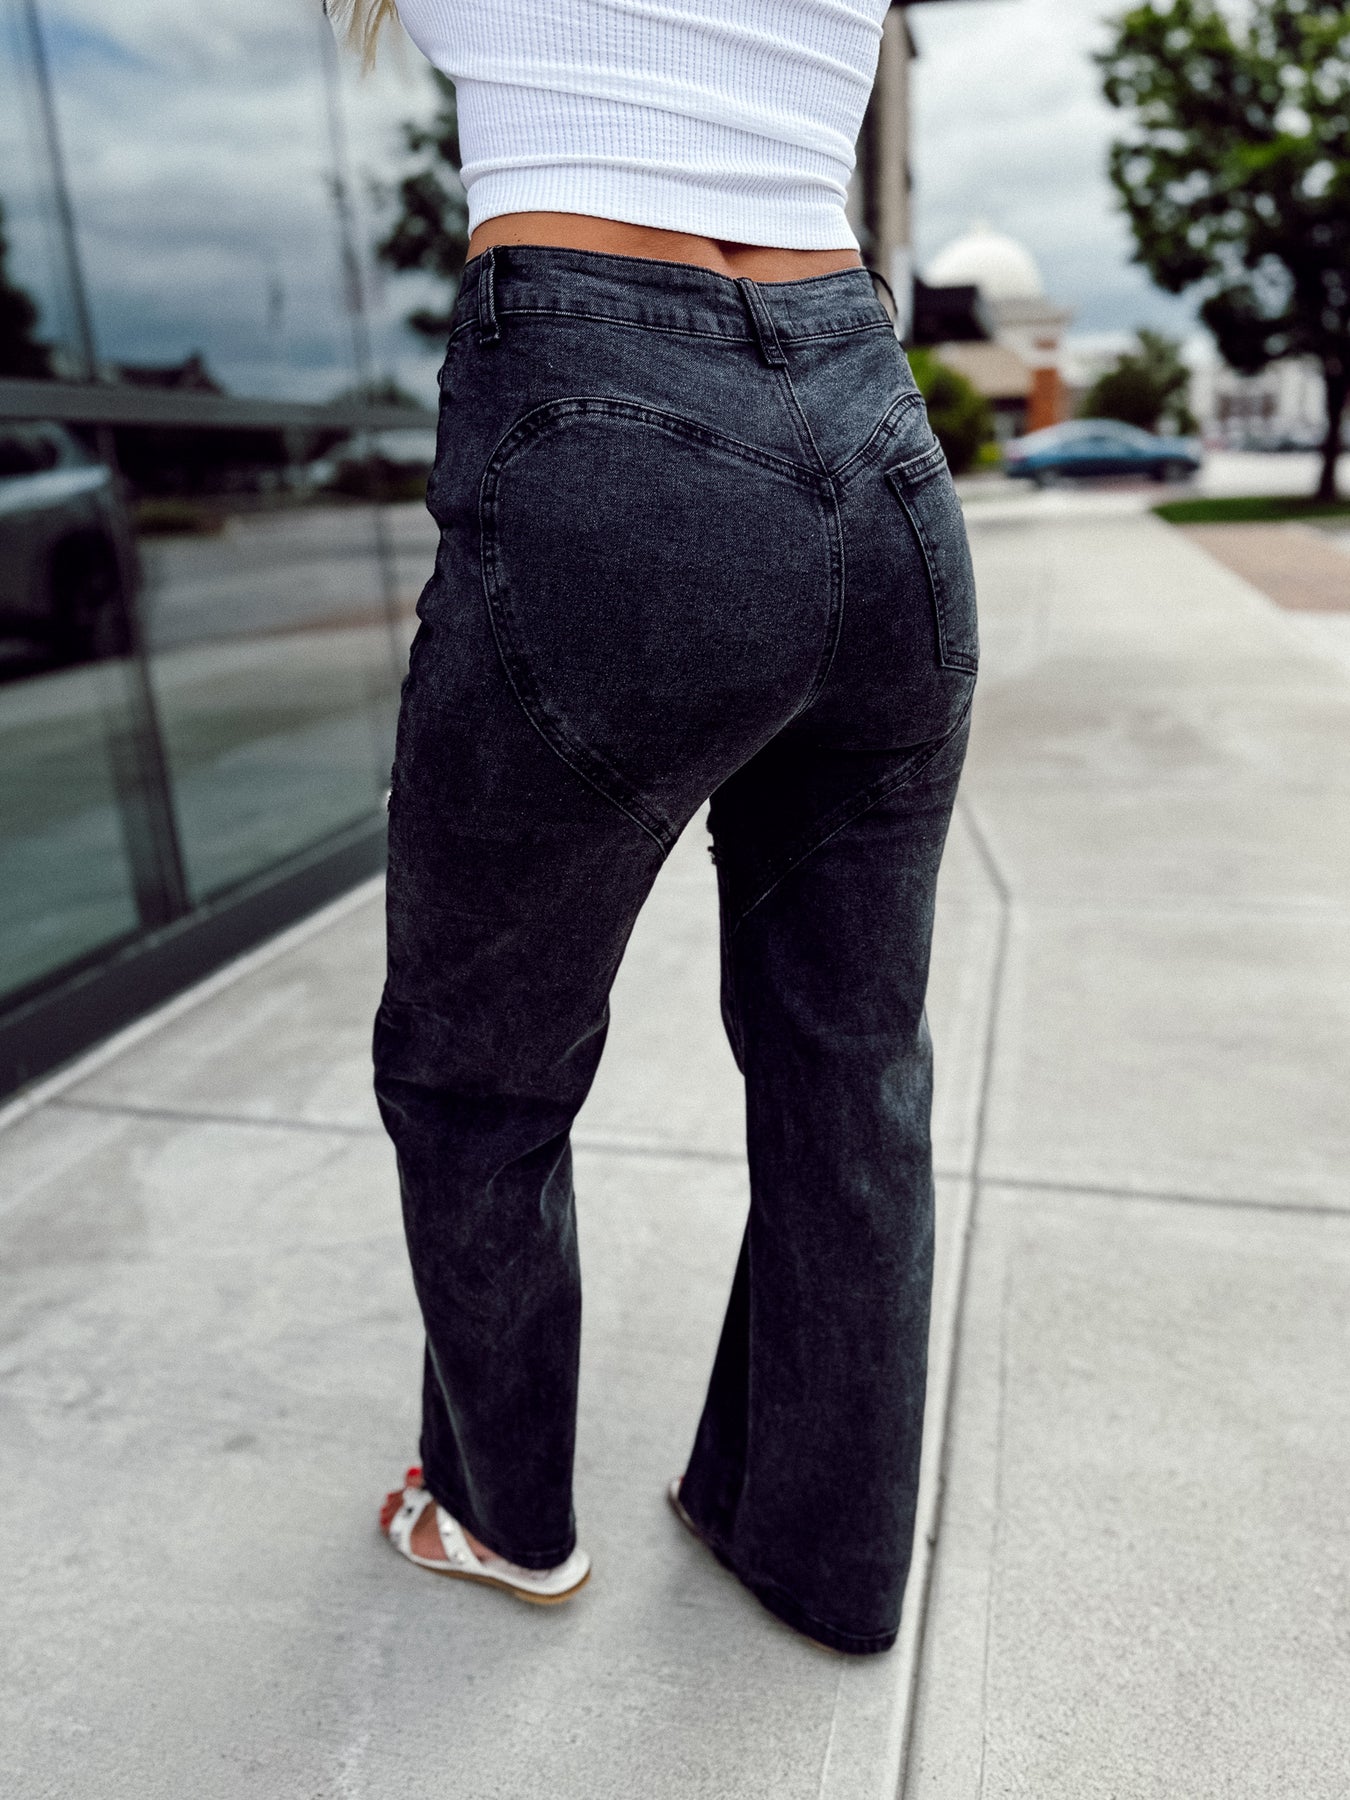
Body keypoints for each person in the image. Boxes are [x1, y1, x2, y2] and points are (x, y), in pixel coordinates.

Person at [340, 0, 979, 1656]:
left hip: (598, 416)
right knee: (853, 1059)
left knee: (476, 1071)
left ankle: (497, 1513)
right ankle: (821, 1556)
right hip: (877, 434)